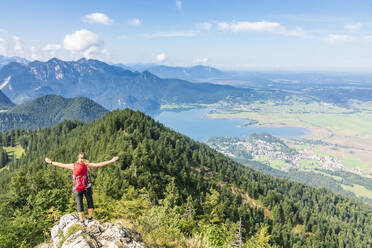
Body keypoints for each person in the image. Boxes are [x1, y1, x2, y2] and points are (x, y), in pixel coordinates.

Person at [45, 152, 119, 222]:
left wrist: (51, 162)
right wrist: (111, 160)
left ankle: (81, 220)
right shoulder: (87, 165)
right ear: (85, 158)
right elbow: (100, 164)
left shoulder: (73, 165)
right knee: (89, 201)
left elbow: (62, 165)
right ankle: (90, 218)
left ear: (78, 158)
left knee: (79, 203)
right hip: (87, 187)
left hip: (77, 188)